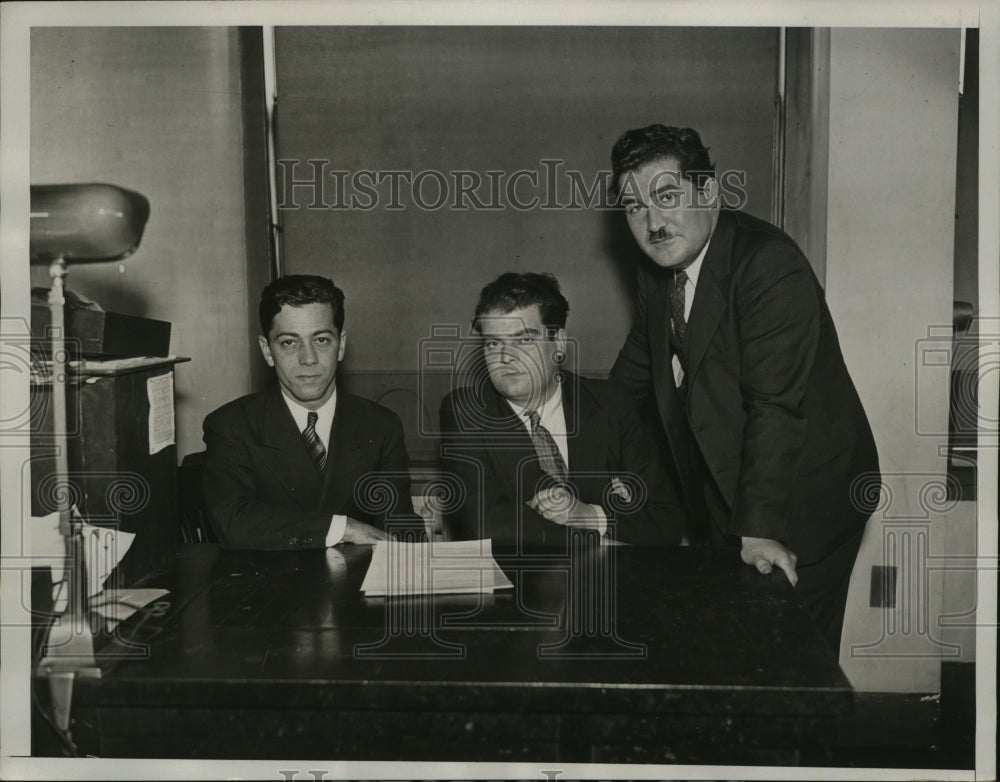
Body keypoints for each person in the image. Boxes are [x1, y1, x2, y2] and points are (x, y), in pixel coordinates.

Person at [608, 125, 880, 651]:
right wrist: (567, 436)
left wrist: (757, 531)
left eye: (666, 196)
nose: (652, 223)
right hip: (726, 491)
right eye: (633, 206)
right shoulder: (656, 274)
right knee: (734, 655)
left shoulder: (768, 264)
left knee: (792, 664)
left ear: (709, 193)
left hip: (804, 499)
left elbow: (775, 406)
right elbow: (631, 378)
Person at [439, 272, 687, 547]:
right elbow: (484, 526)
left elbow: (668, 521)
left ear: (557, 344)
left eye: (523, 340)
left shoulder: (611, 403)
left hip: (615, 584)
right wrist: (600, 537)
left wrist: (591, 516)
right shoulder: (466, 411)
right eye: (493, 343)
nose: (505, 357)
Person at [203, 274, 421, 550]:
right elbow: (235, 522)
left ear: (340, 345)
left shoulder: (380, 426)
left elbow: (400, 527)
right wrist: (344, 528)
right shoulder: (231, 426)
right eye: (289, 343)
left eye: (321, 340)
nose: (308, 359)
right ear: (267, 351)